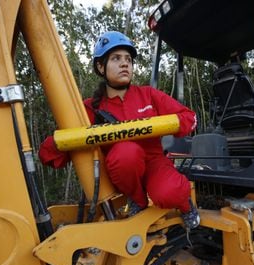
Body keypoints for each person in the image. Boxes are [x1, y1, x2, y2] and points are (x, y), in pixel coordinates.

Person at [39, 31, 200, 230]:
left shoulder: (148, 95)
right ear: (100, 66)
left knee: (169, 192)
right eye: (116, 59)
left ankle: (186, 206)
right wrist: (56, 143)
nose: (125, 64)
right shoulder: (90, 109)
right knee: (126, 152)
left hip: (155, 163)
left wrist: (174, 123)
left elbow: (189, 118)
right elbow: (50, 156)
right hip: (122, 170)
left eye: (128, 59)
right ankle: (138, 202)